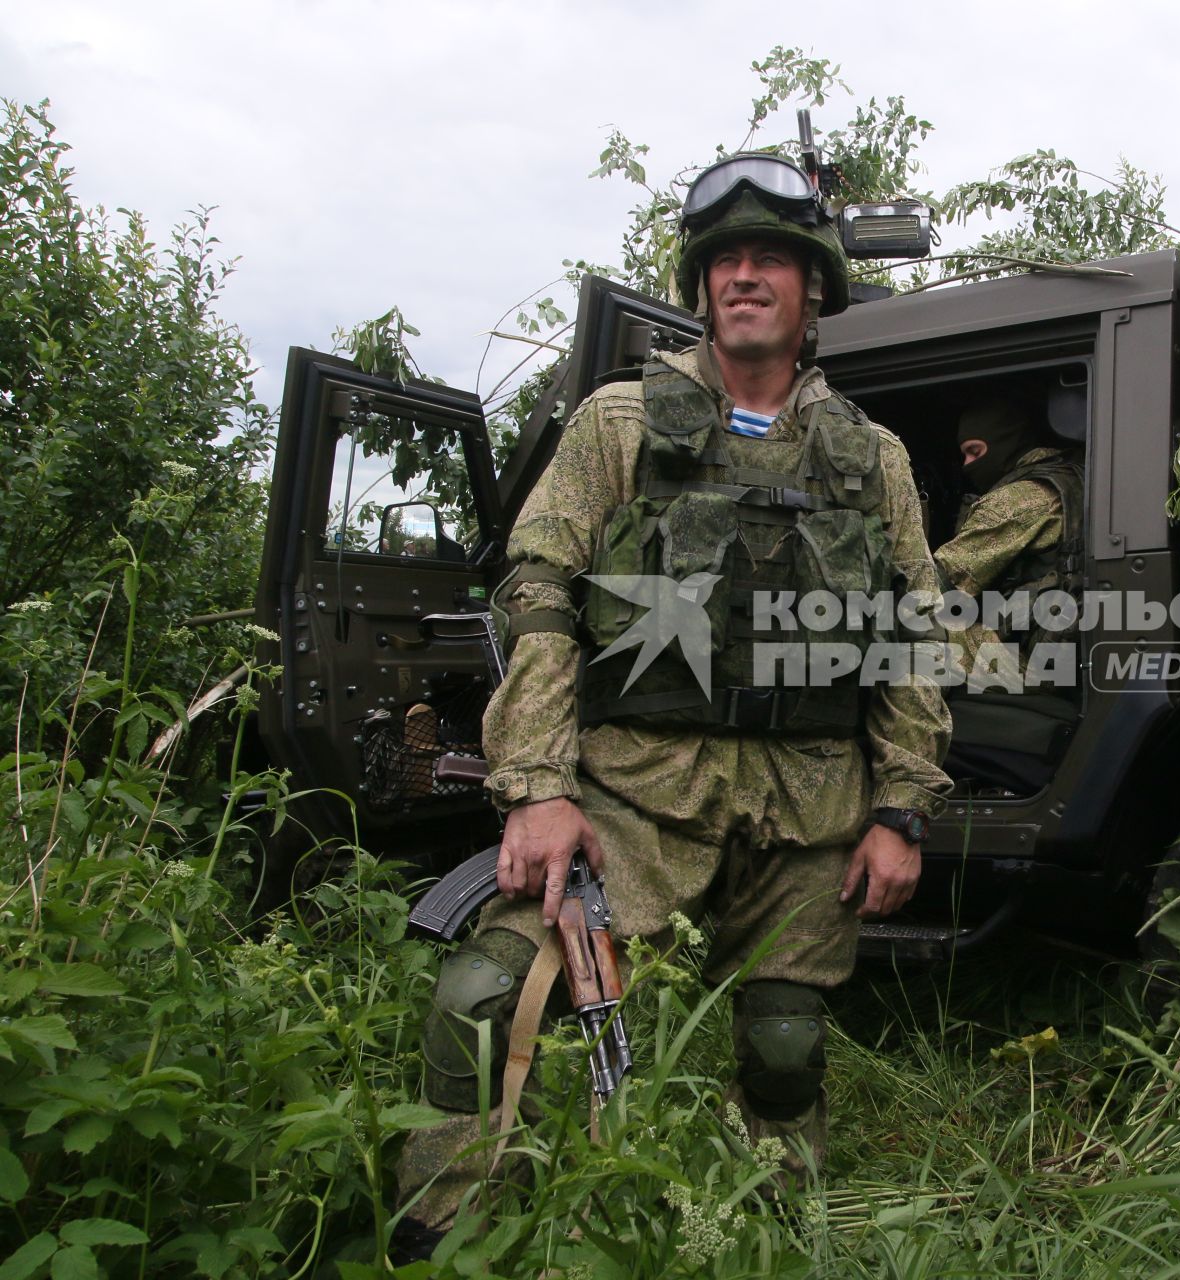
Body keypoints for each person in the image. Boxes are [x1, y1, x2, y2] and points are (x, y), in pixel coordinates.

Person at [391, 150, 951, 1255]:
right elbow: (540, 586)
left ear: (815, 291)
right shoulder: (620, 424)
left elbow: (911, 633)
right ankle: (448, 1232)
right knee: (485, 987)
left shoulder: (870, 457)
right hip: (637, 791)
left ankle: (768, 1238)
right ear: (702, 287)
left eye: (772, 261)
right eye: (725, 260)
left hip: (810, 803)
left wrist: (902, 809)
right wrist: (539, 786)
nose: (745, 277)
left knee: (785, 1048)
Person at [932, 398, 1084, 792]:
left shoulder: (1020, 498)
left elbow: (937, 580)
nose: (967, 467)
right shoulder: (1073, 477)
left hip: (1027, 663)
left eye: (975, 452)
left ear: (1006, 442)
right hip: (1060, 655)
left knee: (904, 638)